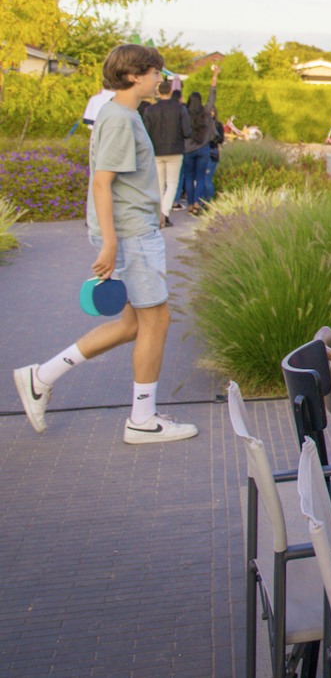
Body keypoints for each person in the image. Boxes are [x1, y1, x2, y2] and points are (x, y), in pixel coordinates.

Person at [12, 44, 198, 444]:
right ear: (134, 75)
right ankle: (142, 421)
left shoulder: (122, 114)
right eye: (155, 73)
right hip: (130, 234)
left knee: (134, 323)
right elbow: (102, 181)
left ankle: (40, 377)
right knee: (157, 320)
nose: (160, 80)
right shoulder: (119, 119)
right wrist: (110, 243)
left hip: (132, 230)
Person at [140, 79, 190, 228]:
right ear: (170, 92)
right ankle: (165, 212)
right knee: (172, 183)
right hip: (175, 150)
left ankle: (158, 213)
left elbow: (145, 133)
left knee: (159, 184)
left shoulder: (150, 110)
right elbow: (187, 132)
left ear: (158, 92)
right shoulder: (180, 109)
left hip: (156, 150)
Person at [182, 65, 219, 216]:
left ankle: (190, 205)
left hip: (188, 149)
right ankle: (197, 204)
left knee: (189, 178)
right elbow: (212, 95)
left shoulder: (184, 113)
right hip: (203, 148)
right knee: (201, 178)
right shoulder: (205, 111)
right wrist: (215, 75)